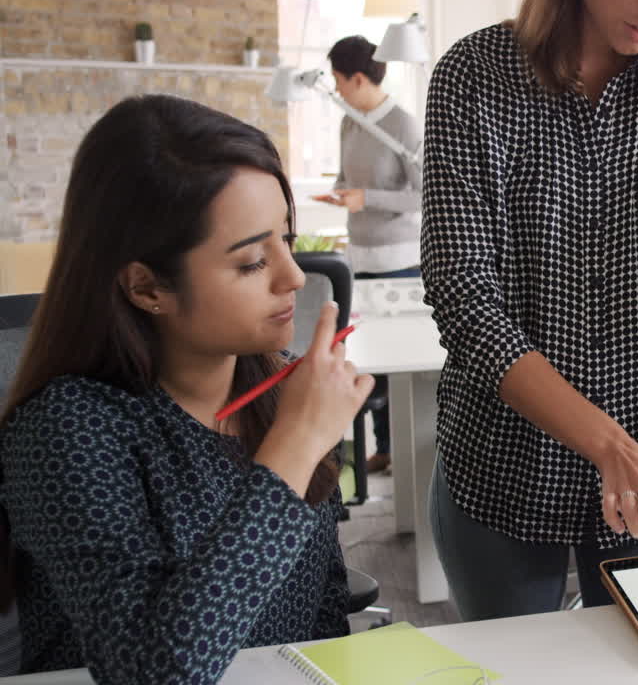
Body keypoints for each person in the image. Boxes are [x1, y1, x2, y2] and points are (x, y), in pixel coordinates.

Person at [421, 0, 638, 620]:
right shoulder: (474, 77)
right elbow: (465, 298)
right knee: (518, 669)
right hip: (505, 467)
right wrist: (612, 448)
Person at [0, 94, 375, 681]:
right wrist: (294, 448)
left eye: (287, 236)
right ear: (147, 287)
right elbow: (153, 673)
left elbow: (321, 615)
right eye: (252, 261)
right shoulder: (67, 431)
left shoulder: (284, 394)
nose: (296, 276)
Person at [312, 34, 423, 473]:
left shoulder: (403, 125)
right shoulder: (349, 120)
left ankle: (405, 452)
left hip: (399, 260)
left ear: (358, 78)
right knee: (370, 357)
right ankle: (384, 448)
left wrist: (368, 198)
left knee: (402, 362)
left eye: (339, 81)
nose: (336, 90)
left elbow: (423, 194)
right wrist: (341, 194)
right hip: (360, 258)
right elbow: (346, 175)